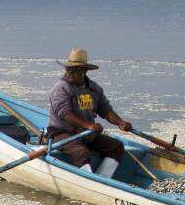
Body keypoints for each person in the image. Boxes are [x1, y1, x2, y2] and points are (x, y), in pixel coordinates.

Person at [47, 48, 133, 178]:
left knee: (116, 147)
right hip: (62, 133)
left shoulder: (94, 89)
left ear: (84, 71)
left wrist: (120, 122)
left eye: (74, 70)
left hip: (86, 133)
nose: (70, 73)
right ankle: (88, 180)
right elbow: (65, 114)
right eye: (68, 69)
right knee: (81, 152)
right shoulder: (61, 88)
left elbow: (106, 111)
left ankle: (103, 178)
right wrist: (89, 125)